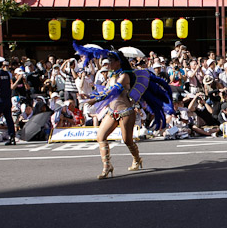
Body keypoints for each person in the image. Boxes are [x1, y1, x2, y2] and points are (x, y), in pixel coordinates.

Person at [74, 43, 174, 178]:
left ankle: (137, 159)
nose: (108, 64)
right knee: (101, 137)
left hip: (126, 113)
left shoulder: (124, 76)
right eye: (107, 61)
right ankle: (107, 167)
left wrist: (95, 100)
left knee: (127, 140)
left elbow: (112, 91)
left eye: (111, 61)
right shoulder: (111, 75)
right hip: (111, 112)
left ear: (118, 62)